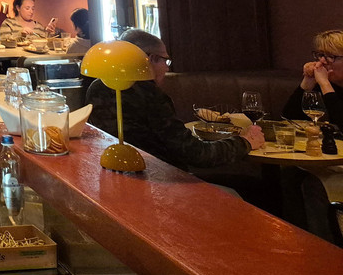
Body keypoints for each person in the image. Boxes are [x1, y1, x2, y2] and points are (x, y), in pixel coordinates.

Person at [87, 28, 264, 170]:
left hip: (118, 175)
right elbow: (196, 154)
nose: (167, 68)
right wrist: (245, 142)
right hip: (160, 181)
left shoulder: (96, 88)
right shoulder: (150, 95)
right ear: (151, 59)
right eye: (165, 61)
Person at [282, 29, 343, 127]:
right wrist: (307, 84)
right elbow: (288, 120)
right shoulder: (321, 87)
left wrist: (325, 84)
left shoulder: (325, 85)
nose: (322, 61)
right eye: (321, 55)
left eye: (330, 56)